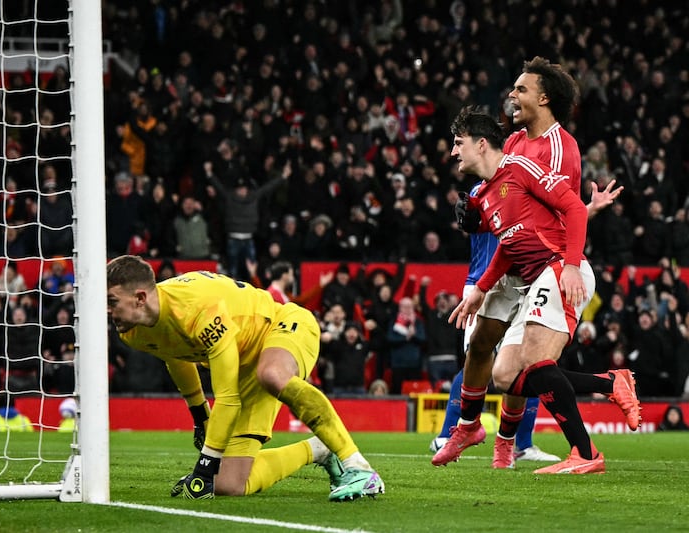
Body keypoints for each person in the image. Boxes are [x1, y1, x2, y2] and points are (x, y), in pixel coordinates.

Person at [432, 58, 637, 471]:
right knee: (486, 350)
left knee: (529, 364)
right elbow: (515, 224)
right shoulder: (511, 146)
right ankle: (471, 427)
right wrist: (482, 275)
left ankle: (539, 444)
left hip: (552, 262)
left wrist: (573, 261)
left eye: (520, 89)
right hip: (517, 261)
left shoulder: (559, 148)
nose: (511, 95)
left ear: (544, 98)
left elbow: (558, 215)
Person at [106, 255, 384, 501]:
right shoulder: (132, 331)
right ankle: (320, 449)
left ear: (140, 298)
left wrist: (204, 466)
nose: (106, 311)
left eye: (111, 301)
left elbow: (228, 398)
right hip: (244, 362)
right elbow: (174, 356)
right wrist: (199, 414)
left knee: (272, 374)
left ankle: (360, 469)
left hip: (281, 326)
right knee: (229, 484)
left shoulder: (198, 310)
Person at [429, 180, 559, 463]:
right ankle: (447, 434)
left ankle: (522, 444)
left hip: (522, 282)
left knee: (529, 362)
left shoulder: (518, 181)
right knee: (477, 357)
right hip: (483, 284)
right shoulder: (485, 190)